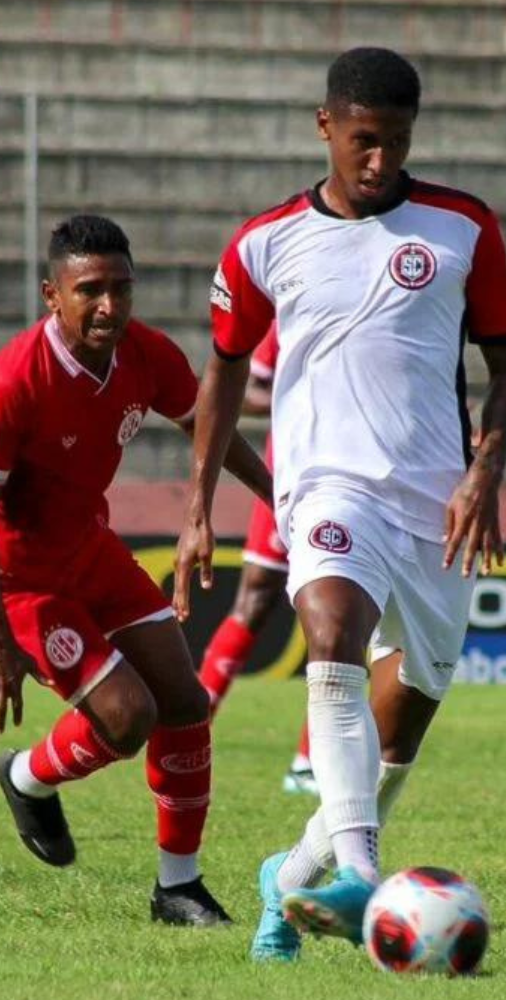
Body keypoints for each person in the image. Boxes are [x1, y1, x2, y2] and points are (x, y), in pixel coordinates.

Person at [174, 47, 506, 961]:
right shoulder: (265, 242)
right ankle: (365, 877)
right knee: (329, 627)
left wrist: (485, 469)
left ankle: (289, 881)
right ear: (326, 126)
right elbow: (217, 375)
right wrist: (197, 508)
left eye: (398, 142)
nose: (380, 160)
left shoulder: (463, 227)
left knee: (404, 718)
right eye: (365, 141)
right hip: (326, 485)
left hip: (437, 502)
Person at [0, 214, 270, 926]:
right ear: (51, 295)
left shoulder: (144, 354)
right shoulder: (8, 384)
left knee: (186, 704)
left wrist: (277, 497)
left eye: (121, 289)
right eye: (90, 290)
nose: (109, 306)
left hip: (90, 553)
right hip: (19, 581)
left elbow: (205, 424)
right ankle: (27, 777)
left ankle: (177, 888)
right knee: (129, 719)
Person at [194, 325, 317, 795]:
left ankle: (309, 762)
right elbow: (244, 388)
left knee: (345, 612)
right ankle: (190, 729)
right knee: (256, 597)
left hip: (354, 477)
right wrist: (298, 397)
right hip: (285, 473)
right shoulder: (286, 304)